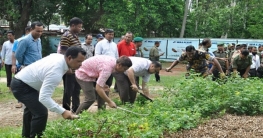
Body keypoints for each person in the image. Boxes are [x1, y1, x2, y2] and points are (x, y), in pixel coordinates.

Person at [10, 47, 86, 138]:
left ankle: (26, 136)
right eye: (78, 61)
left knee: (32, 110)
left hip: (24, 82)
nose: (81, 64)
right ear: (69, 58)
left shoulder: (59, 57)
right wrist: (63, 111)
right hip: (22, 86)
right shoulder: (55, 72)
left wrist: (67, 68)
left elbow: (51, 56)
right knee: (41, 112)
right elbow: (44, 97)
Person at [59, 17, 83, 113]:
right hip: (69, 68)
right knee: (68, 90)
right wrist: (67, 67)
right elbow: (63, 52)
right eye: (79, 27)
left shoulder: (75, 36)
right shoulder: (66, 36)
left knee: (76, 89)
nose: (80, 29)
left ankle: (76, 108)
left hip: (76, 68)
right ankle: (66, 109)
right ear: (73, 25)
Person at [11, 26, 31, 108]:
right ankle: (19, 101)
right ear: (28, 31)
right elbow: (14, 53)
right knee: (21, 84)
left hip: (31, 67)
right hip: (21, 66)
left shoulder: (35, 40)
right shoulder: (19, 41)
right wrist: (14, 65)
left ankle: (29, 100)